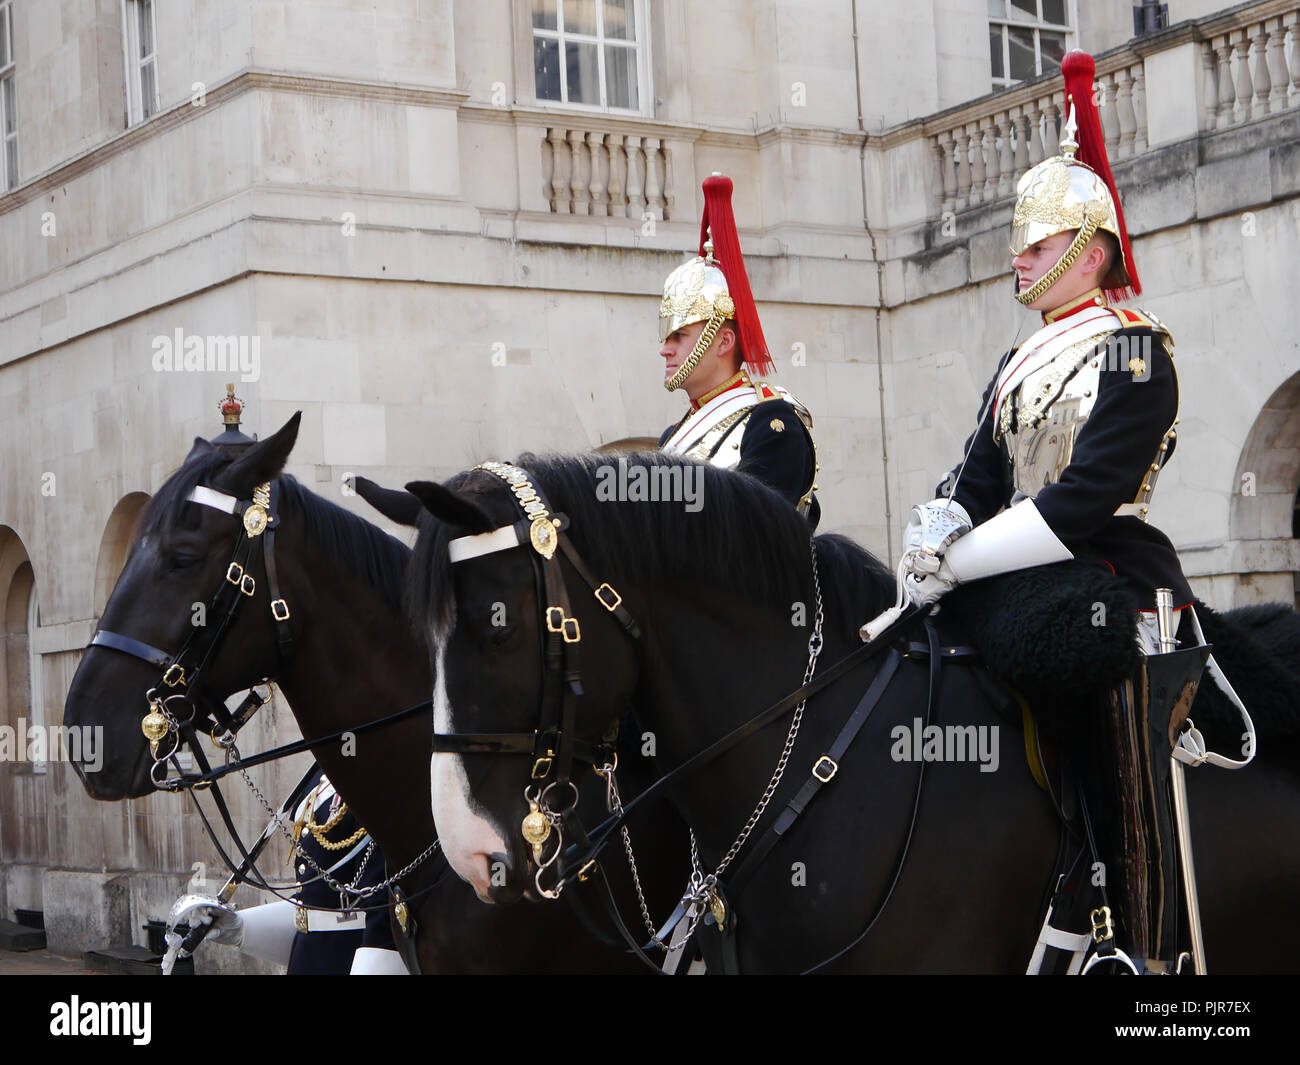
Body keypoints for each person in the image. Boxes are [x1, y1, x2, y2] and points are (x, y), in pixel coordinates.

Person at [896, 50, 1204, 971]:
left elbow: (1083, 499)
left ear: (1091, 248)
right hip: (1011, 569)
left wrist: (968, 558)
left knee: (1097, 670)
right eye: (1019, 242)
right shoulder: (1017, 364)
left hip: (1114, 571)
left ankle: (1131, 927)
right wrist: (936, 527)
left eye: (1035, 242)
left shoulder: (1138, 353)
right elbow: (977, 477)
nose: (1016, 257)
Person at [657, 173, 821, 527]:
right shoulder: (672, 438)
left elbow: (753, 537)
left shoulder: (770, 423)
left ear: (723, 341)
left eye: (679, 336)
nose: (665, 350)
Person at [170, 767, 407, 975]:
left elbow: (383, 912)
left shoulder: (378, 778)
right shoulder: (321, 774)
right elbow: (315, 905)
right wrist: (240, 927)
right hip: (308, 957)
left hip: (349, 960)